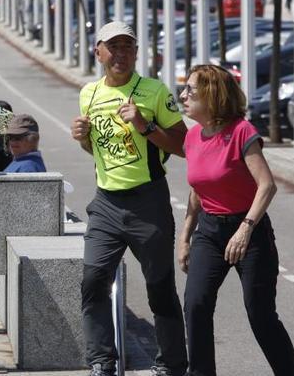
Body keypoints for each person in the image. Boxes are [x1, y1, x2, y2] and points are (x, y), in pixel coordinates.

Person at [70, 21, 188, 376]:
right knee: (92, 282)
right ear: (99, 51)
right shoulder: (88, 93)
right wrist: (81, 138)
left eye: (128, 47)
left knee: (159, 289)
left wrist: (146, 126)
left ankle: (171, 364)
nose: (120, 54)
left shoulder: (153, 91)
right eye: (113, 47)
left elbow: (183, 145)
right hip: (105, 203)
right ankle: (102, 360)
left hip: (147, 202)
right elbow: (100, 149)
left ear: (136, 53)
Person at [178, 65, 294, 376]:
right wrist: (185, 238)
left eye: (190, 90)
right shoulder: (192, 137)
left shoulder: (242, 132)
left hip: (250, 230)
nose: (183, 95)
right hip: (209, 230)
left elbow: (267, 185)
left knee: (260, 315)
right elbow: (198, 190)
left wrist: (245, 229)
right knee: (195, 305)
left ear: (212, 94)